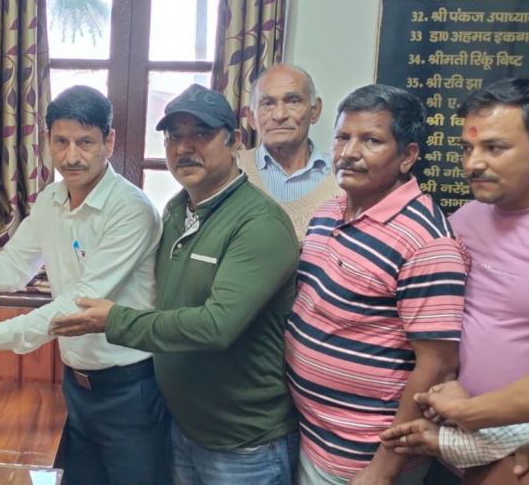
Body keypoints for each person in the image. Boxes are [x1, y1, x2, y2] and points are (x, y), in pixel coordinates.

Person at [0, 85, 170, 485]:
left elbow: (78, 304)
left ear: (109, 142)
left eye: (86, 142)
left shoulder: (131, 210)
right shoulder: (51, 199)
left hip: (130, 390)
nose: (72, 156)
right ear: (47, 141)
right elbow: (12, 268)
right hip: (76, 388)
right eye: (62, 141)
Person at [50, 83, 300, 484]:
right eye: (173, 136)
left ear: (234, 140)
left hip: (244, 443)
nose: (184, 147)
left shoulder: (259, 223)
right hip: (181, 428)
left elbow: (216, 326)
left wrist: (115, 320)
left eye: (201, 134)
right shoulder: (177, 210)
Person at [383, 59, 529, 485]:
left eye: (494, 148)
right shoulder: (463, 219)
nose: (473, 163)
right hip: (441, 443)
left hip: (520, 460)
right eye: (467, 148)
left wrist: (527, 439)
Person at [285, 84, 470, 485]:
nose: (349, 152)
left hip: (365, 458)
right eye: (342, 137)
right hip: (313, 436)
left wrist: (382, 470)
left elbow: (438, 365)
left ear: (407, 156)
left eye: (370, 140)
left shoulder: (426, 242)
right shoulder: (327, 213)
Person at [238, 65, 342, 242]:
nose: (279, 115)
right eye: (267, 104)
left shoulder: (344, 176)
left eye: (293, 101)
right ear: (251, 117)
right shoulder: (231, 170)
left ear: (315, 110)